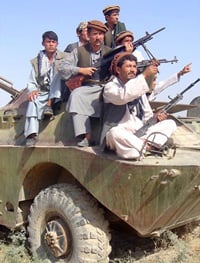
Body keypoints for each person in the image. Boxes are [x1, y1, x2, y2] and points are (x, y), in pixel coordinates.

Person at [100, 52, 177, 160]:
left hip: (140, 134)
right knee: (114, 133)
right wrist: (144, 75)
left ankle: (143, 146)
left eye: (134, 66)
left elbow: (147, 117)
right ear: (118, 70)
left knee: (170, 123)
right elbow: (123, 96)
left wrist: (156, 118)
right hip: (122, 135)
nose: (132, 70)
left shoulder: (139, 91)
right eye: (128, 66)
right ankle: (150, 147)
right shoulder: (110, 87)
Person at [58, 20, 111, 147]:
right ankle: (86, 135)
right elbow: (62, 67)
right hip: (88, 87)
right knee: (76, 95)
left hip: (107, 86)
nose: (98, 37)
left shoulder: (110, 52)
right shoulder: (79, 51)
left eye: (100, 34)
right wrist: (80, 70)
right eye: (94, 34)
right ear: (89, 35)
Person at [24, 31, 67, 147]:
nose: (51, 44)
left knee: (58, 74)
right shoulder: (37, 61)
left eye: (53, 42)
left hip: (61, 91)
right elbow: (32, 81)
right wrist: (32, 90)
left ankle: (49, 105)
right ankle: (31, 135)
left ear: (57, 44)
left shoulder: (65, 57)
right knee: (33, 100)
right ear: (43, 43)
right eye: (48, 42)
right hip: (43, 91)